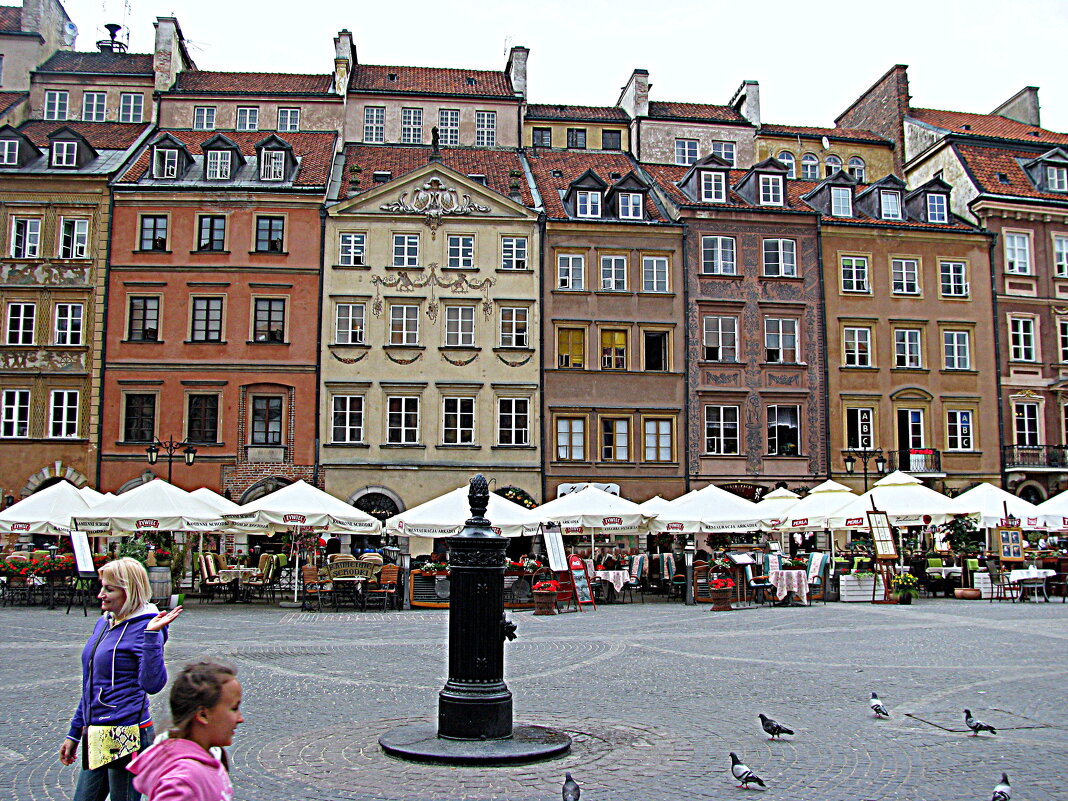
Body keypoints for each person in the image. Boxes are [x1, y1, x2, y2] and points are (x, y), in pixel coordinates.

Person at [59, 557, 183, 801]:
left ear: (130, 591)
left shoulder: (147, 627)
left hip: (126, 730)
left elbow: (153, 684)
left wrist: (151, 637)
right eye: (102, 587)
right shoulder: (104, 623)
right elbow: (91, 685)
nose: (100, 595)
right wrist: (75, 732)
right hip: (97, 730)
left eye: (109, 589)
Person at [129, 660, 243, 801]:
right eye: (234, 708)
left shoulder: (212, 755)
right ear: (203, 715)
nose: (240, 719)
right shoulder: (184, 781)